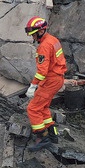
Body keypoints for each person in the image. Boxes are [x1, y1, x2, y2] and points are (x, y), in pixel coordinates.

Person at [23, 17, 66, 151]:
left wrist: (33, 85)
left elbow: (42, 71)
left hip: (50, 80)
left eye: (34, 34)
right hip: (57, 79)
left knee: (33, 109)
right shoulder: (53, 40)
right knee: (43, 107)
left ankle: (42, 138)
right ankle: (53, 134)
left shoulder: (44, 46)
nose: (33, 38)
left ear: (41, 31)